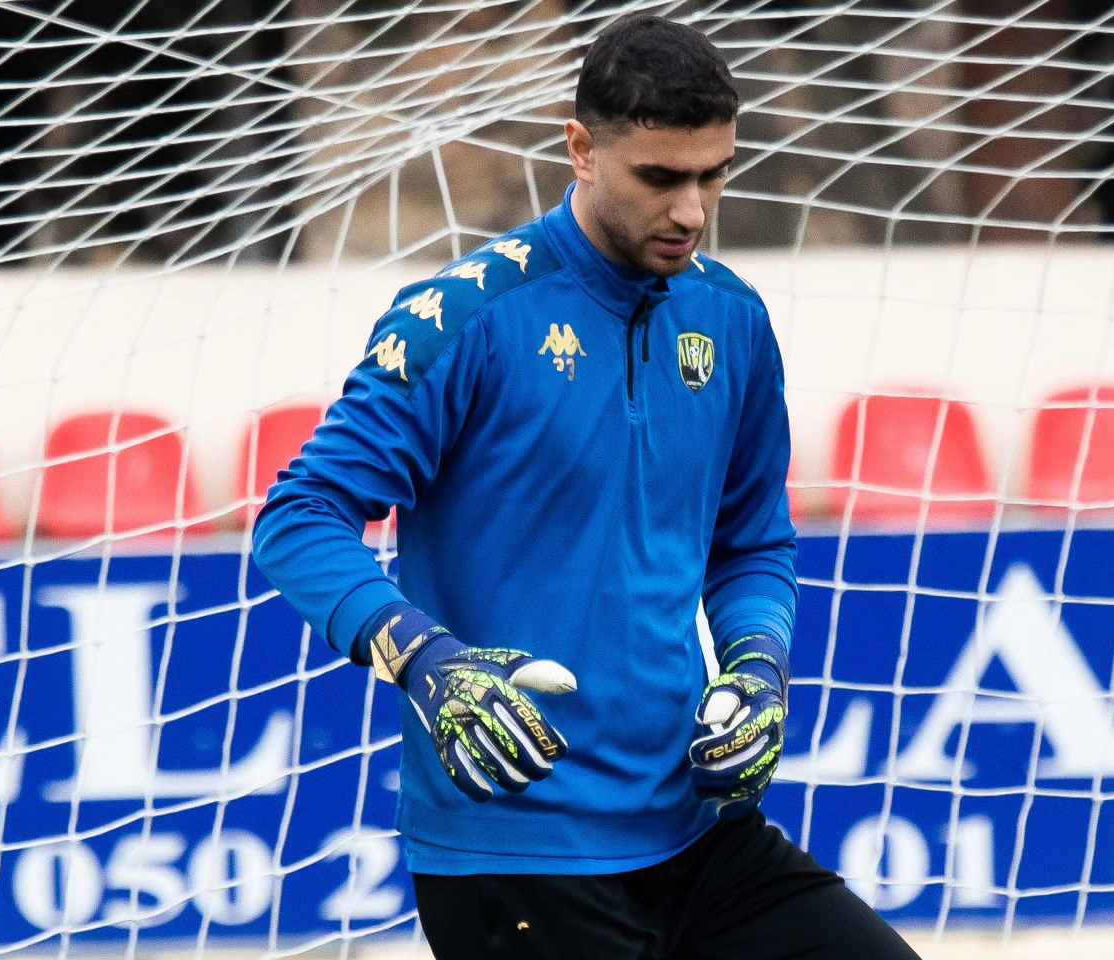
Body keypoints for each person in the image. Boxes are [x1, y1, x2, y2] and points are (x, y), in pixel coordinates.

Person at [253, 14, 919, 960]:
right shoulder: (465, 317)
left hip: (699, 830)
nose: (692, 211)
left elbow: (752, 543)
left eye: (713, 175)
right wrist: (428, 661)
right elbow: (300, 517)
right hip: (518, 857)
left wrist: (759, 665)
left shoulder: (731, 318)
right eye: (660, 178)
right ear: (580, 149)